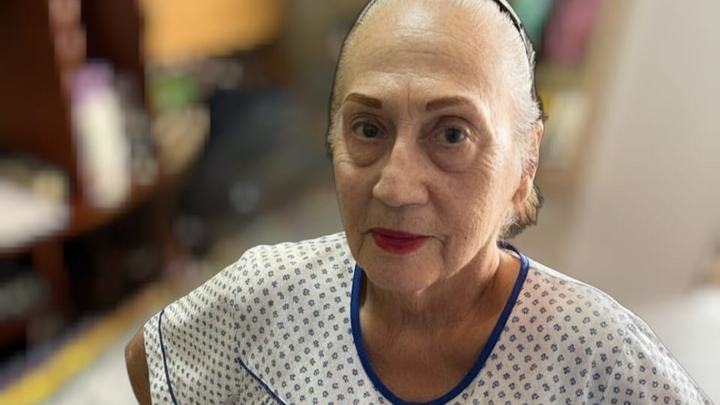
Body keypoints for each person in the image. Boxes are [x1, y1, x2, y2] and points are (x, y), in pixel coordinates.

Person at [125, 0, 714, 404]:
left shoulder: (598, 359)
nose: (394, 188)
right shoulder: (265, 296)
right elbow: (151, 366)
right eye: (368, 129)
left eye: (452, 134)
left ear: (524, 161)